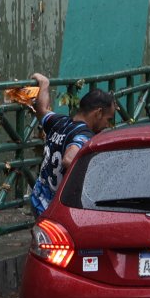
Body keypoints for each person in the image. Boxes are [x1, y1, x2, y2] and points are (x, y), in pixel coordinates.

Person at [29, 73, 117, 217]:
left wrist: (44, 84)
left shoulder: (59, 122)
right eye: (108, 119)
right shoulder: (84, 135)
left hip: (39, 199)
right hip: (56, 208)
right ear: (98, 113)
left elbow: (41, 110)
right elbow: (68, 159)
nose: (107, 125)